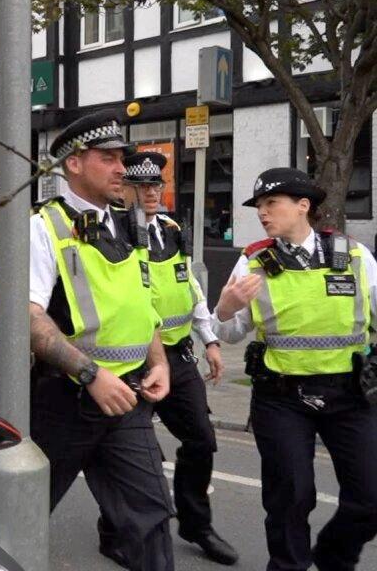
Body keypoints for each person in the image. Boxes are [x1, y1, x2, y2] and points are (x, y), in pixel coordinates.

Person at [29, 111, 174, 571]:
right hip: (63, 400)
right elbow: (28, 318)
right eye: (108, 158)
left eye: (122, 158)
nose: (121, 168)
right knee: (5, 512)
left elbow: (141, 304)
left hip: (126, 397)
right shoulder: (42, 227)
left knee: (151, 517)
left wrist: (160, 362)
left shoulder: (127, 224)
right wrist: (90, 374)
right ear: (73, 163)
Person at [213, 168, 377, 571]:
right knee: (291, 497)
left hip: (350, 393)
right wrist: (226, 308)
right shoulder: (253, 260)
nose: (263, 213)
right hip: (281, 397)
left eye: (272, 204)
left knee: (371, 496)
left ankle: (333, 555)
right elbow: (228, 332)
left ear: (303, 206)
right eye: (259, 207)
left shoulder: (354, 255)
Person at [112, 151, 237, 565]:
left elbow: (190, 288)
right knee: (127, 451)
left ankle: (196, 524)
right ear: (125, 188)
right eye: (141, 186)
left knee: (201, 439)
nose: (150, 192)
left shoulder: (170, 229)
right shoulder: (115, 233)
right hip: (133, 357)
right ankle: (114, 531)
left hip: (178, 355)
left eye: (155, 185)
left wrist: (210, 339)